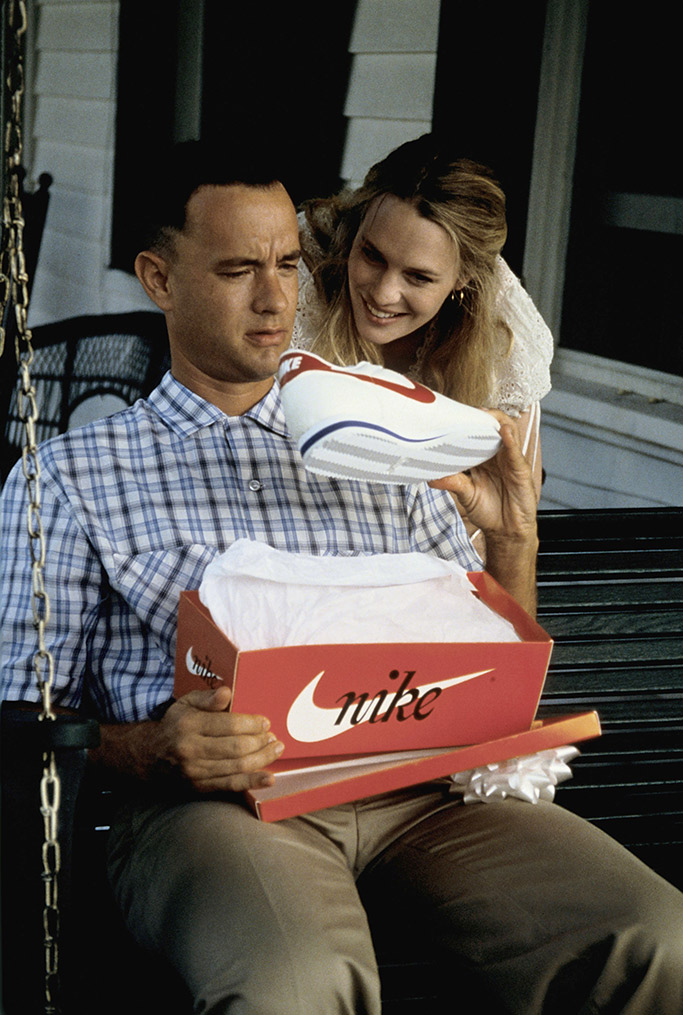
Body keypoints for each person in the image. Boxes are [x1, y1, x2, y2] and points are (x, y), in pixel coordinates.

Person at [1, 141, 682, 1015]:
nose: (275, 297)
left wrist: (513, 536)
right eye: (239, 270)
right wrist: (141, 749)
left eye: (288, 264)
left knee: (655, 935)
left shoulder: (383, 438)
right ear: (159, 279)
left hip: (425, 795)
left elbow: (492, 679)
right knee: (293, 983)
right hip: (217, 805)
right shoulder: (71, 475)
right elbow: (21, 718)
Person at [293, 134, 553, 554]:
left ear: (463, 278)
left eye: (418, 277)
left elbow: (502, 532)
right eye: (372, 255)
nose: (383, 293)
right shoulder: (295, 286)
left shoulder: (503, 347)